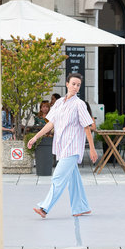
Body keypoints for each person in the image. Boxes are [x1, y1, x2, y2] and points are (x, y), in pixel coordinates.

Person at [28, 73, 98, 219]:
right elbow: (51, 124)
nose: (75, 87)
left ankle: (45, 208)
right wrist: (35, 137)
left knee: (58, 178)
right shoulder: (59, 103)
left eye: (78, 85)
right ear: (67, 84)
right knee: (74, 179)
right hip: (61, 146)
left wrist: (92, 149)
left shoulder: (80, 104)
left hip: (72, 148)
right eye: (73, 84)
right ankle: (81, 207)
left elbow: (87, 127)